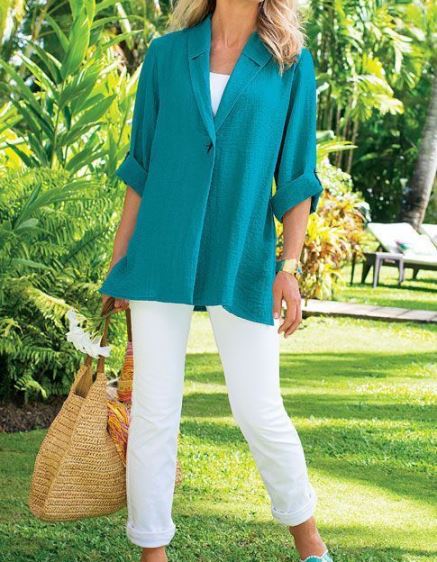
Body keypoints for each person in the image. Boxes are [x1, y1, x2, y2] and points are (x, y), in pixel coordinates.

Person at [99, 1, 331, 561]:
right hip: (160, 252)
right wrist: (120, 262)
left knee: (259, 407)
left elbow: (297, 175)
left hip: (241, 253)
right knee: (154, 409)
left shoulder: (290, 62)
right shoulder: (166, 56)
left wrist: (289, 267)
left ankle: (311, 545)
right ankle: (152, 551)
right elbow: (141, 166)